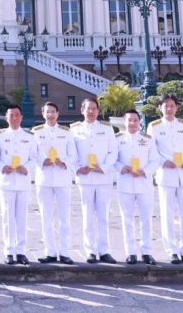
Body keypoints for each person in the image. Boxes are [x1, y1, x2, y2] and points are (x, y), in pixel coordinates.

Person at [147, 94, 183, 264]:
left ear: (177, 108)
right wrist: (162, 161)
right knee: (167, 213)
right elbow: (151, 149)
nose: (169, 109)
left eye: (172, 106)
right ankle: (171, 251)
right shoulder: (154, 126)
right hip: (166, 174)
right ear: (160, 108)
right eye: (165, 106)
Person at [72, 98, 117, 264]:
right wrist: (77, 168)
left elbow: (113, 152)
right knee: (87, 216)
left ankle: (104, 250)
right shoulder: (75, 130)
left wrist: (103, 167)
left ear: (98, 111)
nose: (91, 112)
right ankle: (90, 250)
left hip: (103, 177)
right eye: (88, 109)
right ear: (82, 110)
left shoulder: (106, 129)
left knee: (103, 216)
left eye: (94, 109)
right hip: (85, 178)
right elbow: (71, 153)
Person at [32, 101, 77, 264]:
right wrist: (43, 161)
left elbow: (73, 155)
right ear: (43, 114)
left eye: (53, 112)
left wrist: (62, 160)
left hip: (62, 177)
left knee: (64, 218)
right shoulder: (36, 132)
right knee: (46, 217)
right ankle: (50, 251)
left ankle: (65, 252)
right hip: (44, 178)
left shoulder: (66, 132)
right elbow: (33, 154)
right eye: (47, 112)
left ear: (58, 114)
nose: (50, 115)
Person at [114, 110, 158, 265]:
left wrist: (144, 171)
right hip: (125, 183)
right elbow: (113, 159)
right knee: (127, 219)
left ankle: (147, 252)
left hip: (144, 184)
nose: (132, 123)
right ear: (124, 122)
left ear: (140, 122)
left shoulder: (148, 140)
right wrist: (121, 167)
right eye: (129, 120)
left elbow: (154, 160)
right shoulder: (117, 139)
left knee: (146, 219)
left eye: (135, 120)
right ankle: (131, 252)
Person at [0, 104, 37, 265]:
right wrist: (2, 167)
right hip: (7, 181)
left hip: (22, 181)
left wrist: (26, 168)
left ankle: (20, 251)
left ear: (21, 117)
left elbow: (34, 157)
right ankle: (8, 250)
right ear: (6, 118)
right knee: (7, 218)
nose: (14, 118)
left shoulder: (29, 137)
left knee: (21, 218)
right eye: (11, 115)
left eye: (17, 115)